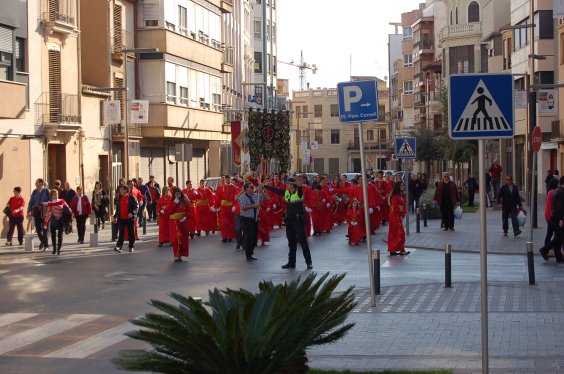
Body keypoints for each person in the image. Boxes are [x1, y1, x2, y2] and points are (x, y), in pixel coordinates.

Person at [264, 177, 313, 270]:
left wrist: (299, 185)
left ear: (291, 185)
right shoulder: (286, 192)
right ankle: (291, 263)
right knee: (291, 243)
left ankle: (309, 262)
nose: (285, 185)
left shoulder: (299, 192)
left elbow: (300, 189)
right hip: (289, 221)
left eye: (287, 184)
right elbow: (276, 190)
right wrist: (265, 186)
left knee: (303, 242)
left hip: (298, 221)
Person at [539, 176, 564, 262]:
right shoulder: (560, 192)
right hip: (557, 218)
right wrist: (561, 219)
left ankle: (559, 257)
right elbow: (560, 207)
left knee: (558, 237)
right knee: (559, 238)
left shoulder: (556, 191)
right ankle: (544, 249)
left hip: (553, 217)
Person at [167, 187, 191, 262]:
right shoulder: (171, 201)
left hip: (182, 222)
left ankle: (180, 255)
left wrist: (186, 217)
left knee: (183, 239)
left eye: (179, 194)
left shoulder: (184, 200)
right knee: (176, 238)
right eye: (176, 194)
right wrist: (175, 203)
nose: (178, 195)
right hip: (174, 222)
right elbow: (169, 211)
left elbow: (188, 211)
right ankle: (176, 254)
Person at [238, 182, 260, 262]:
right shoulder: (242, 197)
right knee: (250, 236)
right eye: (251, 187)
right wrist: (253, 206)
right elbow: (243, 207)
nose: (253, 189)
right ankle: (248, 254)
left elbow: (265, 198)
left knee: (255, 237)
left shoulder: (255, 196)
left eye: (253, 187)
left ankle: (251, 252)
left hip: (255, 218)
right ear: (246, 188)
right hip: (247, 219)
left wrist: (262, 190)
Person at [43, 189, 70, 255]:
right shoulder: (50, 203)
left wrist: (67, 212)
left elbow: (68, 209)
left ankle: (59, 249)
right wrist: (46, 222)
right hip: (54, 220)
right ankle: (54, 248)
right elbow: (48, 213)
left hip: (60, 219)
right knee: (53, 235)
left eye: (57, 194)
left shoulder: (62, 201)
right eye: (54, 194)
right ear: (52, 196)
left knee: (60, 235)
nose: (56, 195)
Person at [113, 185, 139, 253]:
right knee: (121, 233)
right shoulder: (120, 198)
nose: (120, 191)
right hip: (121, 218)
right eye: (120, 190)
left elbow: (136, 207)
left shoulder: (132, 198)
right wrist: (115, 216)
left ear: (126, 190)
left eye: (121, 189)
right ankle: (119, 247)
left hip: (129, 219)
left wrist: (132, 213)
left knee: (131, 233)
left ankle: (131, 246)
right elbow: (118, 209)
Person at [27, 178, 50, 251]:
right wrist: (29, 211)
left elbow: (50, 201)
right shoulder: (34, 192)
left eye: (36, 182)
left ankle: (46, 245)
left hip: (44, 211)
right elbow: (31, 202)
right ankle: (43, 241)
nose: (35, 184)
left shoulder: (47, 191)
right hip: (36, 211)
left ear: (41, 183)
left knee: (45, 228)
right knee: (38, 228)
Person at [388, 181, 409, 255]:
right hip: (395, 216)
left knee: (398, 233)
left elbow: (403, 206)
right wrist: (401, 213)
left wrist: (403, 213)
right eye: (401, 185)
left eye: (403, 185)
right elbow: (396, 207)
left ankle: (396, 249)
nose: (403, 187)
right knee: (399, 233)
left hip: (398, 215)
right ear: (398, 187)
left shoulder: (400, 195)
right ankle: (398, 249)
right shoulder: (395, 197)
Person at [215, 175, 238, 242]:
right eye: (226, 179)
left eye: (228, 179)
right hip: (223, 208)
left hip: (230, 207)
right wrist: (217, 206)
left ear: (230, 179)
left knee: (230, 222)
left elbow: (235, 197)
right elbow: (218, 198)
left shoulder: (234, 188)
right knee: (223, 222)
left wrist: (234, 205)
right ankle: (224, 236)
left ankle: (230, 236)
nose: (227, 180)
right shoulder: (221, 187)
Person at [544, 178, 559, 249]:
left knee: (550, 233)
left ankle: (547, 246)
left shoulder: (550, 192)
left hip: (548, 215)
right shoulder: (554, 192)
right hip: (551, 216)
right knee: (556, 234)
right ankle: (547, 247)